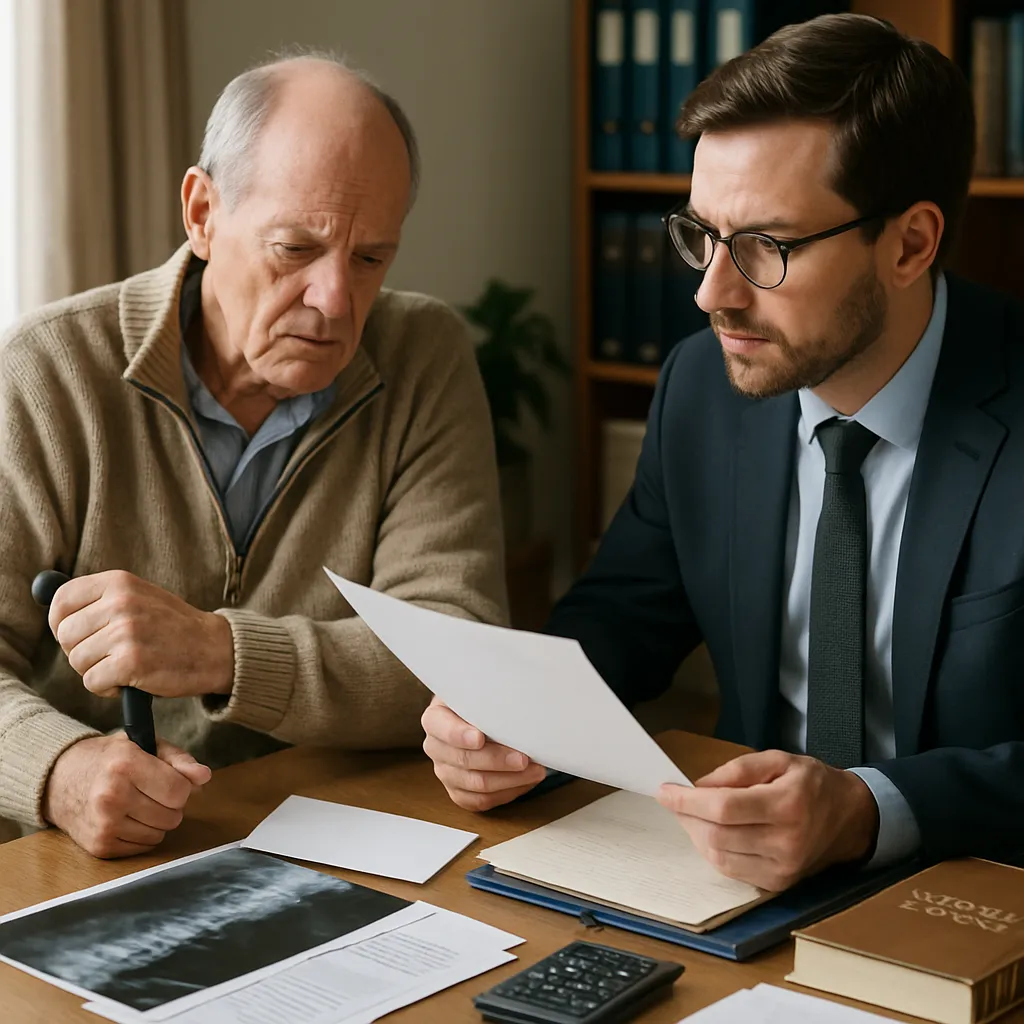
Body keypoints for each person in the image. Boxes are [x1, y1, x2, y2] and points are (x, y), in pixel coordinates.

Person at [423, 12, 1024, 890]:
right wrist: (516, 725)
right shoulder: (703, 389)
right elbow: (623, 619)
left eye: (765, 248)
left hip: (974, 895)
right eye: (703, 234)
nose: (713, 294)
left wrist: (870, 808)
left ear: (910, 243)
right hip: (739, 885)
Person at [0, 53, 506, 858]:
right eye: (297, 249)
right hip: (81, 865)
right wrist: (58, 767)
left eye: (370, 258)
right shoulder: (46, 370)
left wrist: (217, 651)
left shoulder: (424, 356)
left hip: (349, 839)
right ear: (202, 212)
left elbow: (453, 653)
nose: (336, 301)